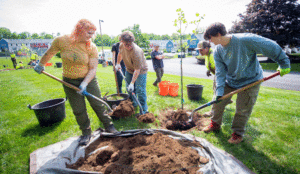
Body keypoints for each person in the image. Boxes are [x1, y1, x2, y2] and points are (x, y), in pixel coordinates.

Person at [202, 22, 291, 144]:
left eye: (210, 38)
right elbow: (220, 73)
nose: (210, 41)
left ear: (218, 34)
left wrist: (284, 63)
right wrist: (219, 92)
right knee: (217, 103)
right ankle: (215, 124)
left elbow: (271, 46)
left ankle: (237, 134)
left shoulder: (245, 40)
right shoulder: (217, 51)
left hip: (251, 80)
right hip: (230, 80)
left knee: (243, 109)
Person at [34, 19, 118, 146]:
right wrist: (41, 64)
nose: (91, 37)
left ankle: (109, 126)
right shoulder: (61, 41)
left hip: (88, 80)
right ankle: (86, 132)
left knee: (98, 104)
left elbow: (93, 68)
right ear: (79, 30)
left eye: (93, 34)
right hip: (69, 81)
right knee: (78, 109)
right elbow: (49, 52)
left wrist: (84, 84)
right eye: (89, 33)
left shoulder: (91, 47)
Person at [195, 41, 232, 117]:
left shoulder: (213, 55)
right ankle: (227, 99)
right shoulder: (207, 54)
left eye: (201, 50)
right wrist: (209, 70)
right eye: (198, 50)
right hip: (217, 75)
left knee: (216, 94)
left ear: (207, 48)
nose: (199, 52)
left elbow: (220, 70)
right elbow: (211, 64)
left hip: (222, 76)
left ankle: (212, 111)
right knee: (215, 90)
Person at [115, 31, 148, 115]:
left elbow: (137, 70)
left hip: (141, 71)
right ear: (122, 42)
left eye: (130, 44)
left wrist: (132, 83)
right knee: (128, 89)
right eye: (126, 45)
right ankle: (134, 104)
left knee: (140, 90)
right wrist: (118, 63)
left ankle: (144, 109)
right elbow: (120, 54)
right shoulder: (121, 45)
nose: (129, 47)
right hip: (129, 70)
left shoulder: (137, 51)